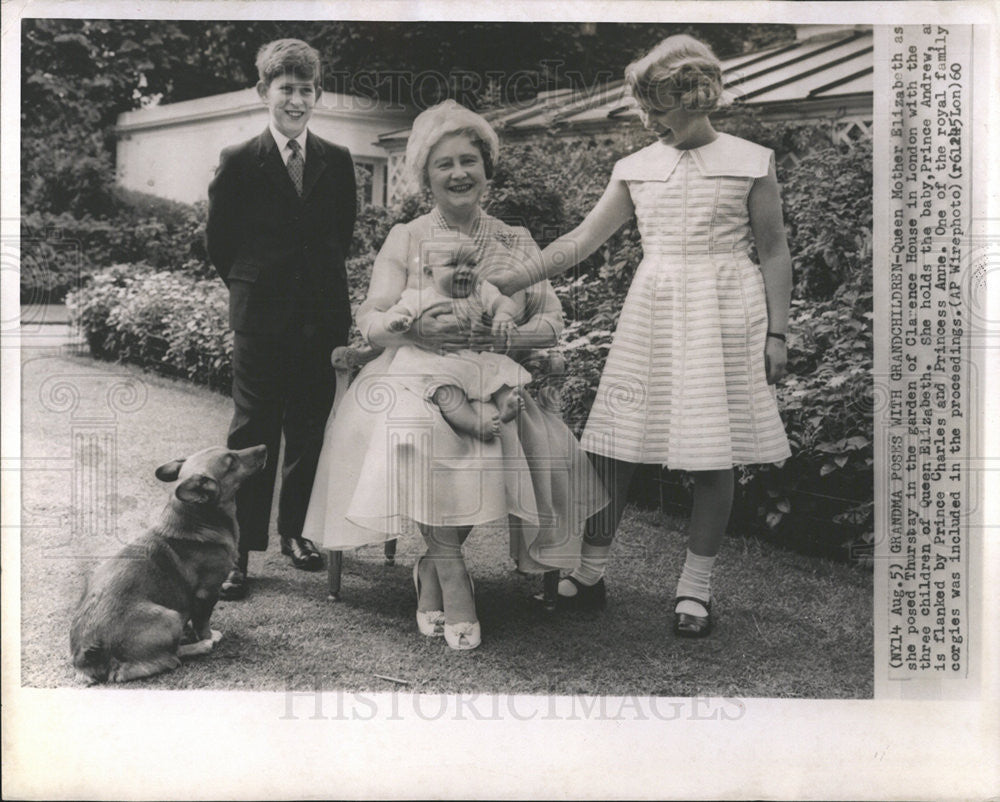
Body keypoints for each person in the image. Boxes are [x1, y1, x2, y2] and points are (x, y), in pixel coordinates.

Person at [495, 34, 792, 637]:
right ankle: (591, 571)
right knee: (613, 447)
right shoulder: (635, 169)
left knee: (712, 454)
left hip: (724, 315)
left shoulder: (751, 159)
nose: (647, 120)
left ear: (698, 96)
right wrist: (516, 275)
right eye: (643, 108)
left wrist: (778, 334)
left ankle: (695, 591)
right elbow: (580, 240)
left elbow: (774, 250)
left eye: (657, 107)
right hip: (652, 312)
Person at [301, 100, 607, 650]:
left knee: (496, 423)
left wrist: (506, 336)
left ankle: (434, 568)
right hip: (411, 375)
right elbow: (371, 318)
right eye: (444, 164)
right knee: (427, 423)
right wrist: (414, 334)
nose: (459, 173)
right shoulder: (407, 237)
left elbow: (552, 322)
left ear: (487, 170)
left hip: (490, 372)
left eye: (470, 160)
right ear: (426, 176)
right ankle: (451, 572)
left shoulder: (514, 238)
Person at [206, 39, 357, 599]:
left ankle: (296, 533)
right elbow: (220, 243)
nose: (295, 99)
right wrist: (256, 290)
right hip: (260, 319)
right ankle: (238, 553)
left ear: (317, 95)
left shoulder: (337, 161)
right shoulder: (240, 159)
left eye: (305, 89)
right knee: (251, 432)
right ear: (263, 92)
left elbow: (341, 235)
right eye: (285, 88)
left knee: (309, 428)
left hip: (321, 318)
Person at [378, 234, 530, 441]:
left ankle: (506, 404)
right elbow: (396, 313)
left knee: (499, 370)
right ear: (429, 273)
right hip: (433, 360)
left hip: (469, 357)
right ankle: (474, 424)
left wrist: (503, 314)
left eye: (471, 264)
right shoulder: (421, 297)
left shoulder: (480, 291)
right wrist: (399, 322)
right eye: (453, 264)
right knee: (446, 390)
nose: (465, 270)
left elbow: (504, 302)